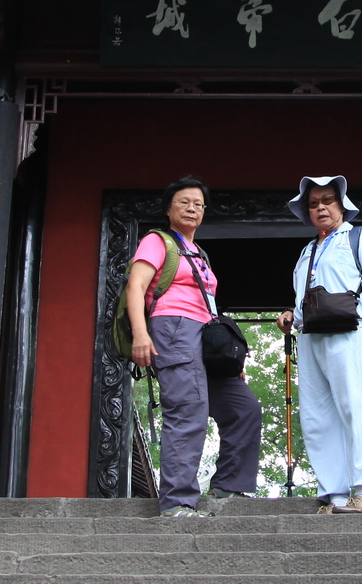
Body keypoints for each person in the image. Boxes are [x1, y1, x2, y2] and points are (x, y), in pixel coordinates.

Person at [126, 176, 264, 517]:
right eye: (184, 202)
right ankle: (177, 502)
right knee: (188, 411)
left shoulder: (199, 253)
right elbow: (136, 286)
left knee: (243, 408)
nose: (192, 208)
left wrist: (228, 360)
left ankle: (228, 486)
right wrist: (141, 334)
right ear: (168, 209)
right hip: (173, 328)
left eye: (198, 204)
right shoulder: (157, 241)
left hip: (206, 337)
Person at [276, 175, 362, 514]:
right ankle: (336, 493)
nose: (321, 208)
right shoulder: (307, 250)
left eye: (327, 200)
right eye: (313, 203)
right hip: (311, 335)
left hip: (351, 330)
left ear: (341, 205)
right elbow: (307, 298)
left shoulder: (358, 237)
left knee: (355, 406)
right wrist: (291, 315)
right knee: (317, 414)